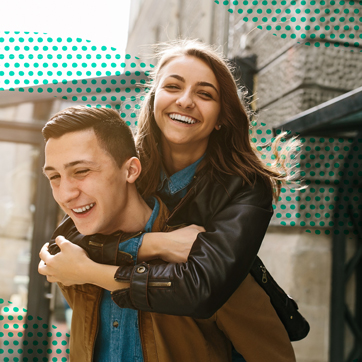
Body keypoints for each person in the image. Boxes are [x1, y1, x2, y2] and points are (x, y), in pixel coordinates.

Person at [39, 39, 298, 361]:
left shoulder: (244, 185)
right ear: (152, 100)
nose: (186, 101)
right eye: (173, 86)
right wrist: (155, 243)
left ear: (220, 116)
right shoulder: (126, 162)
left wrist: (91, 271)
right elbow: (69, 240)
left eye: (204, 94)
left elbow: (204, 287)